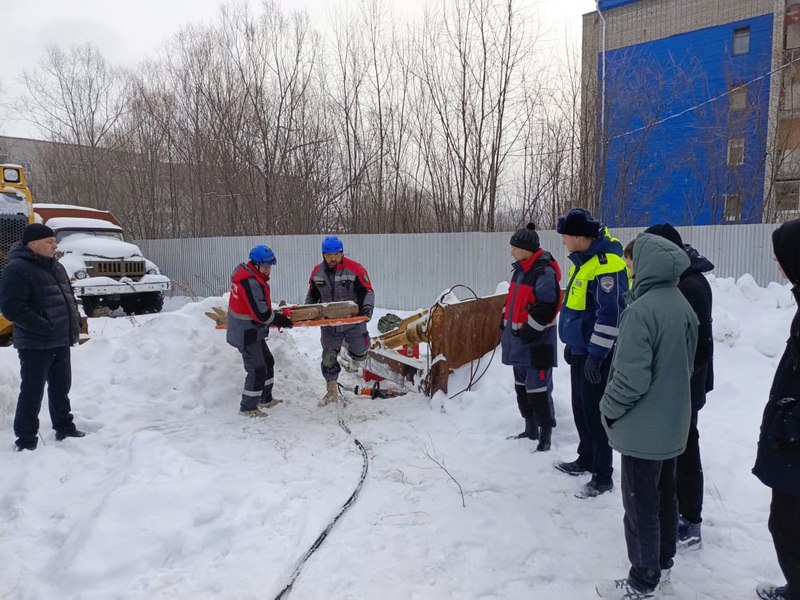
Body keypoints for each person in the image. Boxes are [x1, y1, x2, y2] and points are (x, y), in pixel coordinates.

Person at [596, 233, 698, 600]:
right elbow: (685, 365)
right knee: (665, 496)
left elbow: (631, 378)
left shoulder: (642, 311)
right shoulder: (681, 305)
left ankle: (643, 581)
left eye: (631, 262)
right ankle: (663, 564)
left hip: (642, 428)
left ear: (647, 263)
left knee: (640, 504)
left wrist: (607, 409)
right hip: (672, 423)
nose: (628, 268)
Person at [645, 223, 714, 551]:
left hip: (684, 388)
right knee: (681, 449)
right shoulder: (684, 279)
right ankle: (681, 514)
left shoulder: (689, 287)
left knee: (684, 451)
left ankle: (690, 520)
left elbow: (697, 348)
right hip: (683, 385)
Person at [555, 208, 628, 498]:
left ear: (578, 237)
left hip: (598, 353)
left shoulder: (606, 264)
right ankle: (586, 457)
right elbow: (578, 309)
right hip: (581, 350)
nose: (562, 242)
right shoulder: (583, 262)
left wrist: (597, 354)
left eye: (565, 236)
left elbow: (609, 316)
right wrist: (574, 345)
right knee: (581, 408)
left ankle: (602, 474)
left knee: (596, 413)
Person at [0, 223, 84, 451]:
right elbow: (12, 308)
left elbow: (66, 297)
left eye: (54, 241)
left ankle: (64, 427)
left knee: (61, 386)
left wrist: (74, 320)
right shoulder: (16, 269)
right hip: (35, 342)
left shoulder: (56, 267)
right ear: (33, 244)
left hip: (60, 338)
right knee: (32, 390)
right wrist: (43, 326)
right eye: (49, 241)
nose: (54, 245)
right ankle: (26, 439)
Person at [752, 218, 800, 600]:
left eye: (780, 256)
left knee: (785, 522)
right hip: (791, 433)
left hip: (796, 441)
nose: (776, 262)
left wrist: (788, 421)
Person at [500, 223, 561, 451]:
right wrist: (504, 319)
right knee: (522, 389)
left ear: (526, 249)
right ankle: (530, 429)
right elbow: (512, 301)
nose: (512, 252)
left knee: (538, 392)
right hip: (518, 344)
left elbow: (548, 306)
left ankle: (545, 435)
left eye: (514, 247)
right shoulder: (520, 271)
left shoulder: (544, 272)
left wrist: (530, 330)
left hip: (537, 346)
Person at [305, 235, 374, 405]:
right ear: (323, 255)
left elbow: (367, 291)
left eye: (336, 255)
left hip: (353, 321)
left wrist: (367, 309)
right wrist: (308, 311)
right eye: (329, 255)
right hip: (330, 324)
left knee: (360, 352)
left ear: (342, 253)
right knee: (328, 357)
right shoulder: (317, 272)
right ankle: (331, 391)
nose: (333, 259)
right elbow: (312, 294)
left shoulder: (355, 269)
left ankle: (353, 354)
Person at [226, 244, 293, 418]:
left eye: (269, 266)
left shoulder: (253, 276)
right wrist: (279, 320)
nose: (267, 270)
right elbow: (261, 314)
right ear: (255, 264)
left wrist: (276, 317)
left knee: (268, 361)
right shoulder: (250, 282)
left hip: (253, 330)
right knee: (257, 369)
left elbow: (259, 310)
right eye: (264, 266)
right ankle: (248, 407)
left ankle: (265, 398)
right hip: (246, 332)